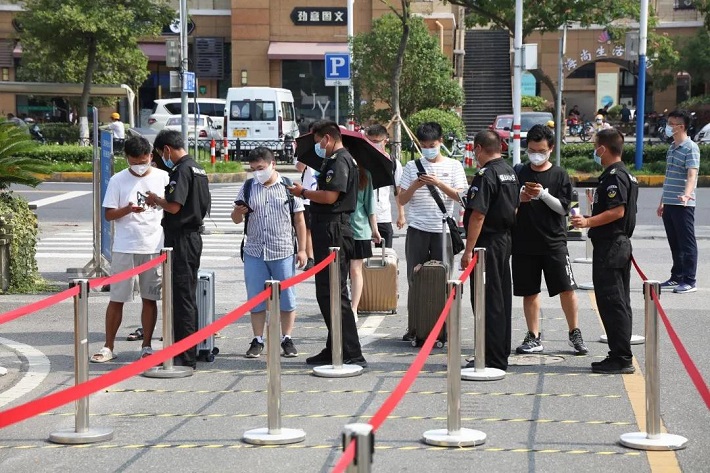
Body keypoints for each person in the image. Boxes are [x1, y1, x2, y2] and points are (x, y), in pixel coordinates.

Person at [287, 120, 367, 367]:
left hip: (334, 229)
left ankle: (351, 351)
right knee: (327, 292)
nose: (318, 146)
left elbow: (331, 196)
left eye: (318, 142)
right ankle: (335, 347)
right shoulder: (333, 160)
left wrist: (303, 192)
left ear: (327, 138)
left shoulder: (340, 161)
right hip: (327, 227)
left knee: (334, 292)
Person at [91, 135, 169, 363]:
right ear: (126, 158)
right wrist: (127, 209)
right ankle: (108, 346)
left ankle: (147, 346)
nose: (138, 166)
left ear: (150, 156)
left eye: (143, 161)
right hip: (124, 246)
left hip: (153, 245)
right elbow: (108, 214)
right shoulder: (118, 180)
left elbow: (172, 206)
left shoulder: (163, 177)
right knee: (117, 297)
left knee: (150, 298)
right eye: (134, 162)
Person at [511, 125, 588, 356]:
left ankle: (574, 332)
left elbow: (564, 208)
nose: (536, 154)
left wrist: (543, 194)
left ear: (551, 149)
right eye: (532, 150)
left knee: (566, 288)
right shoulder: (519, 172)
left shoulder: (559, 174)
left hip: (554, 242)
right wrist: (521, 198)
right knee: (529, 291)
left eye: (541, 150)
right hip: (524, 242)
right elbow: (509, 205)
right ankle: (533, 335)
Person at [571, 129, 638, 374]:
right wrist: (591, 219)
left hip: (612, 245)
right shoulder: (624, 174)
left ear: (603, 148)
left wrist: (588, 222)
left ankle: (621, 357)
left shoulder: (615, 176)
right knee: (617, 301)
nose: (594, 151)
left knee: (612, 302)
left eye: (595, 146)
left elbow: (618, 211)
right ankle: (618, 353)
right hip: (614, 244)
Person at [232, 147, 308, 358]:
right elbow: (236, 219)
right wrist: (237, 212)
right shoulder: (248, 187)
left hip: (282, 250)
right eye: (253, 169)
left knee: (287, 298)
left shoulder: (288, 186)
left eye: (261, 168)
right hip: (254, 251)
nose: (257, 172)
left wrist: (302, 250)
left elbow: (299, 220)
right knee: (256, 298)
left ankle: (287, 338)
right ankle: (257, 339)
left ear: (272, 164)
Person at [145, 129, 211, 369]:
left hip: (182, 239)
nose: (162, 159)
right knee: (186, 294)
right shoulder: (198, 168)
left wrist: (156, 199)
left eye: (161, 154)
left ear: (166, 150)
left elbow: (174, 206)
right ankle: (185, 350)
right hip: (192, 237)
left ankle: (185, 354)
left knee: (182, 297)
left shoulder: (181, 170)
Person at [398, 122, 467, 341]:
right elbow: (402, 199)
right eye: (424, 145)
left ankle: (442, 328)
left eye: (432, 145)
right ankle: (415, 326)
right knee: (415, 278)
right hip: (417, 229)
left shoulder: (454, 166)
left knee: (443, 279)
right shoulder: (412, 166)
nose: (428, 149)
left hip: (442, 230)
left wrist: (438, 183)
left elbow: (461, 197)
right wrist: (415, 186)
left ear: (441, 142)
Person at [460, 130, 519, 372]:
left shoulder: (486, 175)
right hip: (504, 239)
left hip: (487, 243)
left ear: (478, 149)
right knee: (501, 297)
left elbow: (478, 215)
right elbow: (515, 207)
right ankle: (499, 351)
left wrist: (468, 250)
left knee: (486, 299)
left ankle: (491, 357)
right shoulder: (509, 172)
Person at [656, 109, 699, 294]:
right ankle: (677, 276)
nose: (668, 127)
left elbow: (692, 175)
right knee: (674, 242)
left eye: (671, 124)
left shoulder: (691, 147)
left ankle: (689, 280)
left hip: (683, 204)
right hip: (670, 202)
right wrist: (662, 201)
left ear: (681, 127)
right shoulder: (672, 147)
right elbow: (669, 177)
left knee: (686, 243)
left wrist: (687, 194)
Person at [349, 165, 381, 321]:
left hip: (360, 229)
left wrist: (375, 229)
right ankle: (342, 305)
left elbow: (370, 205)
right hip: (340, 228)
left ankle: (353, 308)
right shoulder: (335, 169)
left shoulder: (365, 174)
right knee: (339, 271)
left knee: (355, 270)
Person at [365, 124, 405, 248]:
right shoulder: (360, 161)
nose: (373, 144)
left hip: (383, 216)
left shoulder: (393, 163)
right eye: (370, 141)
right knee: (361, 256)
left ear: (385, 141)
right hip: (362, 217)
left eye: (376, 141)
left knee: (385, 254)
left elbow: (397, 190)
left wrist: (401, 214)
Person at [294, 158, 316, 270]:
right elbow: (299, 167)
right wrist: (306, 157)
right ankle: (310, 258)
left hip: (324, 195)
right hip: (307, 197)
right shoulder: (306, 153)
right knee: (308, 230)